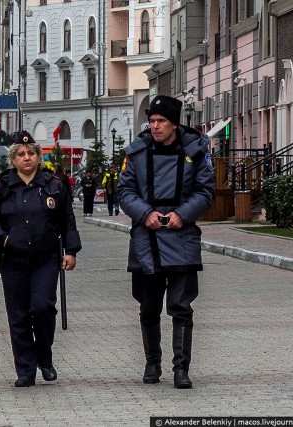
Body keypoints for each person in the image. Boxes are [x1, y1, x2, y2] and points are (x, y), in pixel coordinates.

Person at [117, 95, 214, 389]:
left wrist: (182, 215)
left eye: (161, 121)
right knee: (148, 307)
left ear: (174, 124)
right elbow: (125, 191)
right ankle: (152, 363)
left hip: (181, 237)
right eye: (152, 121)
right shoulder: (136, 152)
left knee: (181, 307)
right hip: (146, 240)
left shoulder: (195, 151)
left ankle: (181, 369)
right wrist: (144, 213)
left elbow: (205, 191)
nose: (155, 126)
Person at [0, 131, 82, 388]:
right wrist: (1, 239)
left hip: (46, 258)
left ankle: (44, 357)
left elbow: (67, 219)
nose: (27, 158)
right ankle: (25, 369)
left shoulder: (53, 184)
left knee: (43, 307)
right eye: (21, 154)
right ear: (13, 159)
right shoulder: (1, 186)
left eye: (31, 153)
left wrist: (71, 250)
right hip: (13, 260)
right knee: (19, 315)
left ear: (38, 156)